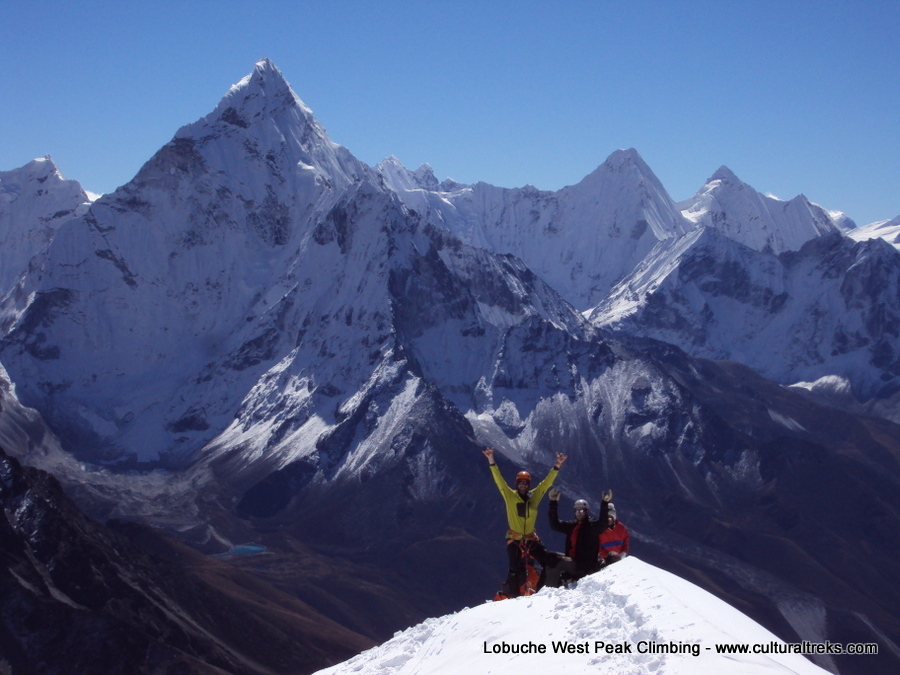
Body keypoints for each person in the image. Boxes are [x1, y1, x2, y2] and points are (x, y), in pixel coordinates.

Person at [483, 447, 567, 597]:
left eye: (526, 483)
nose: (523, 485)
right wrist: (491, 460)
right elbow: (499, 480)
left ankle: (541, 591)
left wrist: (557, 466)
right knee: (514, 569)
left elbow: (545, 484)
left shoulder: (534, 496)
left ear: (529, 485)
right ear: (517, 484)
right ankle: (515, 597)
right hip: (515, 539)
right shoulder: (510, 496)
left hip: (530, 539)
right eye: (521, 483)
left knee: (546, 562)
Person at [544, 488, 612, 587]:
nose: (578, 513)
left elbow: (603, 524)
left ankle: (551, 588)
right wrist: (553, 503)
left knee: (555, 561)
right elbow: (555, 525)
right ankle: (550, 585)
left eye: (581, 510)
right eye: (576, 510)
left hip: (583, 566)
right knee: (549, 557)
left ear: (587, 511)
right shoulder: (572, 526)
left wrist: (605, 503)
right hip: (573, 561)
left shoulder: (591, 526)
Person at [598, 493, 629, 566]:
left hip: (619, 559)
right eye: (606, 518)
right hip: (605, 560)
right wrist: (605, 556)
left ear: (614, 518)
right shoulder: (600, 529)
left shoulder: (621, 528)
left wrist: (623, 552)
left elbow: (625, 540)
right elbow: (597, 545)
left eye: (610, 518)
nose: (608, 520)